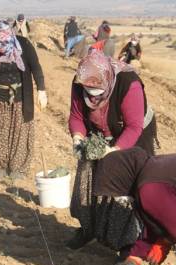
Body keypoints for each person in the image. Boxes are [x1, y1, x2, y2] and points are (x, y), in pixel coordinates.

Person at [66, 50, 157, 250]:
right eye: (88, 91)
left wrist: (113, 151)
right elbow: (76, 116)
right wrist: (78, 138)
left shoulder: (127, 83)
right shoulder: (80, 81)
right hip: (99, 134)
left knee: (124, 188)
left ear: (107, 79)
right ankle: (88, 229)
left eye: (97, 91)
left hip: (133, 135)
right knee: (87, 180)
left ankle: (128, 243)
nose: (93, 96)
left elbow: (134, 126)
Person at [0, 21, 47, 180]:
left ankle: (17, 168)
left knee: (20, 132)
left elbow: (36, 68)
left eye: (4, 47)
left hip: (20, 98)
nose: (1, 50)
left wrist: (41, 90)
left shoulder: (24, 46)